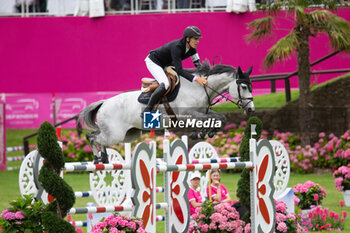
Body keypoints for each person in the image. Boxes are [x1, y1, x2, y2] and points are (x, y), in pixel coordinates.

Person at [142, 26, 208, 116]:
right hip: (154, 62)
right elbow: (179, 70)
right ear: (187, 39)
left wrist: (207, 75)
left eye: (198, 39)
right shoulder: (177, 48)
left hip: (166, 63)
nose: (198, 41)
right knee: (165, 84)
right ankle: (147, 109)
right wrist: (197, 79)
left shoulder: (192, 48)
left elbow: (198, 65)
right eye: (195, 39)